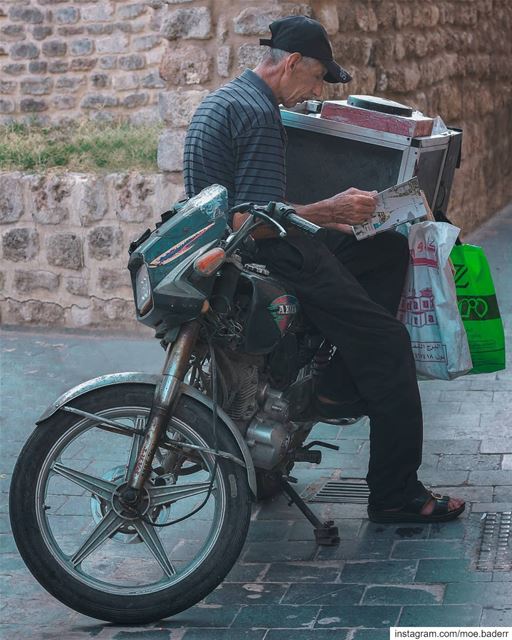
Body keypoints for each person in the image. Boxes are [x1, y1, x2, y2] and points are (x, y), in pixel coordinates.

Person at [183, 15, 465, 524]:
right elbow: (253, 222)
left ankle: (334, 375)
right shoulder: (259, 113)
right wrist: (329, 212)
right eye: (315, 79)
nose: (313, 92)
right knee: (388, 346)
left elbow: (250, 208)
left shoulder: (223, 101)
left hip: (246, 254)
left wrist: (333, 222)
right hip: (266, 261)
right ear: (290, 63)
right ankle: (396, 493)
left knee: (385, 249)